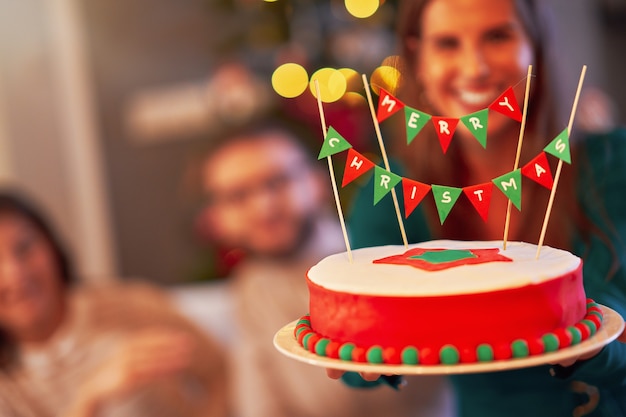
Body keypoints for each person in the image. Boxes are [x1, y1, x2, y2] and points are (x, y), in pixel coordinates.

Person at [329, 0, 626, 416]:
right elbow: (355, 344)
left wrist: (591, 348)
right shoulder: (392, 197)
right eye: (448, 44)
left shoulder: (614, 165)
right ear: (419, 59)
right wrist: (359, 356)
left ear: (535, 46)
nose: (475, 68)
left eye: (497, 36)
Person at [198, 119, 454, 417]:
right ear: (216, 217)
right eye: (238, 196)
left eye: (276, 182)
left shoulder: (380, 256)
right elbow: (259, 403)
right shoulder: (251, 288)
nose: (263, 207)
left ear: (316, 182)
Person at [0, 190, 228, 417]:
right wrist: (91, 397)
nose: (15, 274)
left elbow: (221, 370)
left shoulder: (132, 307)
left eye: (25, 247)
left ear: (53, 247)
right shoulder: (8, 388)